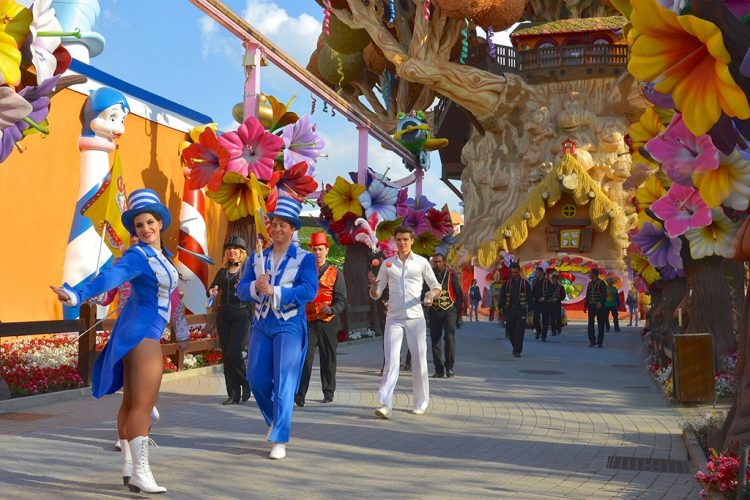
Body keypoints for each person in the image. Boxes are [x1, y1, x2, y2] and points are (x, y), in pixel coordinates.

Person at [51, 188, 186, 493]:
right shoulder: (138, 256)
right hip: (141, 330)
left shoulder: (159, 256)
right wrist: (77, 293)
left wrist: (182, 332)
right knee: (143, 404)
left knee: (130, 402)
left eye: (149, 222)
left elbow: (172, 299)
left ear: (160, 223)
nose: (145, 229)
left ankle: (128, 465)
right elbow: (111, 277)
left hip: (141, 328)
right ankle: (140, 471)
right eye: (139, 225)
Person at [236, 195, 318, 460]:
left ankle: (279, 437)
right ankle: (276, 420)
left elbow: (309, 290)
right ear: (269, 227)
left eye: (284, 224)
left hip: (290, 324)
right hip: (261, 323)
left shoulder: (304, 258)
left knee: (284, 380)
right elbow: (240, 290)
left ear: (293, 228)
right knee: (256, 380)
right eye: (275, 223)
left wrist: (276, 290)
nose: (278, 228)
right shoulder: (257, 258)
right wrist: (255, 286)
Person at [368, 226, 441, 419]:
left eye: (405, 239)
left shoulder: (422, 262)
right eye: (399, 239)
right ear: (394, 240)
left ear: (412, 241)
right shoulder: (388, 264)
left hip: (416, 318)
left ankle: (420, 402)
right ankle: (386, 404)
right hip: (394, 318)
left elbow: (436, 286)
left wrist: (430, 294)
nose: (402, 243)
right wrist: (374, 286)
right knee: (391, 361)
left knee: (419, 361)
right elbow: (377, 294)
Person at [295, 232, 347, 407]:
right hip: (307, 321)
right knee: (305, 357)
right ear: (310, 250)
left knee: (328, 357)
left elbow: (342, 300)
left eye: (320, 249)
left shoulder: (335, 273)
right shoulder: (303, 272)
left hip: (327, 321)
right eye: (314, 249)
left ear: (326, 250)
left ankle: (328, 391)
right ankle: (300, 394)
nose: (317, 252)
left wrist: (331, 308)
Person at [208, 236, 252, 405]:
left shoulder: (246, 271)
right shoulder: (222, 272)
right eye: (229, 249)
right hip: (223, 314)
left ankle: (245, 381)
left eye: (235, 249)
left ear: (241, 252)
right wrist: (212, 290)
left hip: (241, 313)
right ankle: (233, 394)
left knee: (234, 351)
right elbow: (211, 289)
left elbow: (254, 290)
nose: (231, 251)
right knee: (226, 355)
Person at [428, 252, 463, 378]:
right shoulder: (429, 277)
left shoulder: (451, 276)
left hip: (449, 311)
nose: (437, 264)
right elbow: (423, 292)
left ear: (444, 262)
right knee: (435, 341)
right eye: (435, 262)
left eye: (439, 261)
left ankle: (449, 368)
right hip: (434, 311)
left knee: (449, 339)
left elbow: (459, 294)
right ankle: (438, 369)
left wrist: (457, 311)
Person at [499, 261, 532, 357]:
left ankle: (517, 350)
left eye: (516, 272)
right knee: (510, 330)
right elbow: (502, 296)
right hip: (509, 310)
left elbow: (530, 297)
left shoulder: (525, 284)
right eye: (513, 272)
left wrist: (530, 310)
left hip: (521, 310)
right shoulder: (507, 284)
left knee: (519, 331)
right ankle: (515, 347)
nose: (514, 274)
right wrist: (500, 306)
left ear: (519, 272)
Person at [584, 269, 607, 348]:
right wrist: (585, 306)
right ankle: (592, 341)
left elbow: (604, 294)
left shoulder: (601, 283)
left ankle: (600, 342)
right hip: (591, 306)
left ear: (594, 274)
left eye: (590, 273)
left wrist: (600, 302)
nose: (589, 274)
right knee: (590, 324)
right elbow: (588, 296)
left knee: (600, 324)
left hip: (600, 307)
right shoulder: (589, 284)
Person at [531, 266, 548, 340]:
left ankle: (544, 336)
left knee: (545, 320)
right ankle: (538, 331)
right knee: (535, 318)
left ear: (541, 272)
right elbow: (532, 291)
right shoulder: (535, 281)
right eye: (536, 272)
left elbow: (551, 291)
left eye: (537, 272)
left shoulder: (547, 281)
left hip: (545, 303)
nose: (536, 273)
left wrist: (544, 298)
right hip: (536, 303)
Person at [548, 272, 566, 336]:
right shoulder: (550, 286)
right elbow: (548, 294)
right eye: (553, 279)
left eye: (555, 279)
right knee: (552, 317)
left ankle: (559, 328)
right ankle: (553, 331)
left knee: (558, 317)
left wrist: (557, 299)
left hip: (557, 304)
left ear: (557, 279)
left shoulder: (561, 287)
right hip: (551, 304)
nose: (554, 280)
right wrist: (550, 299)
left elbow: (563, 296)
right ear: (552, 279)